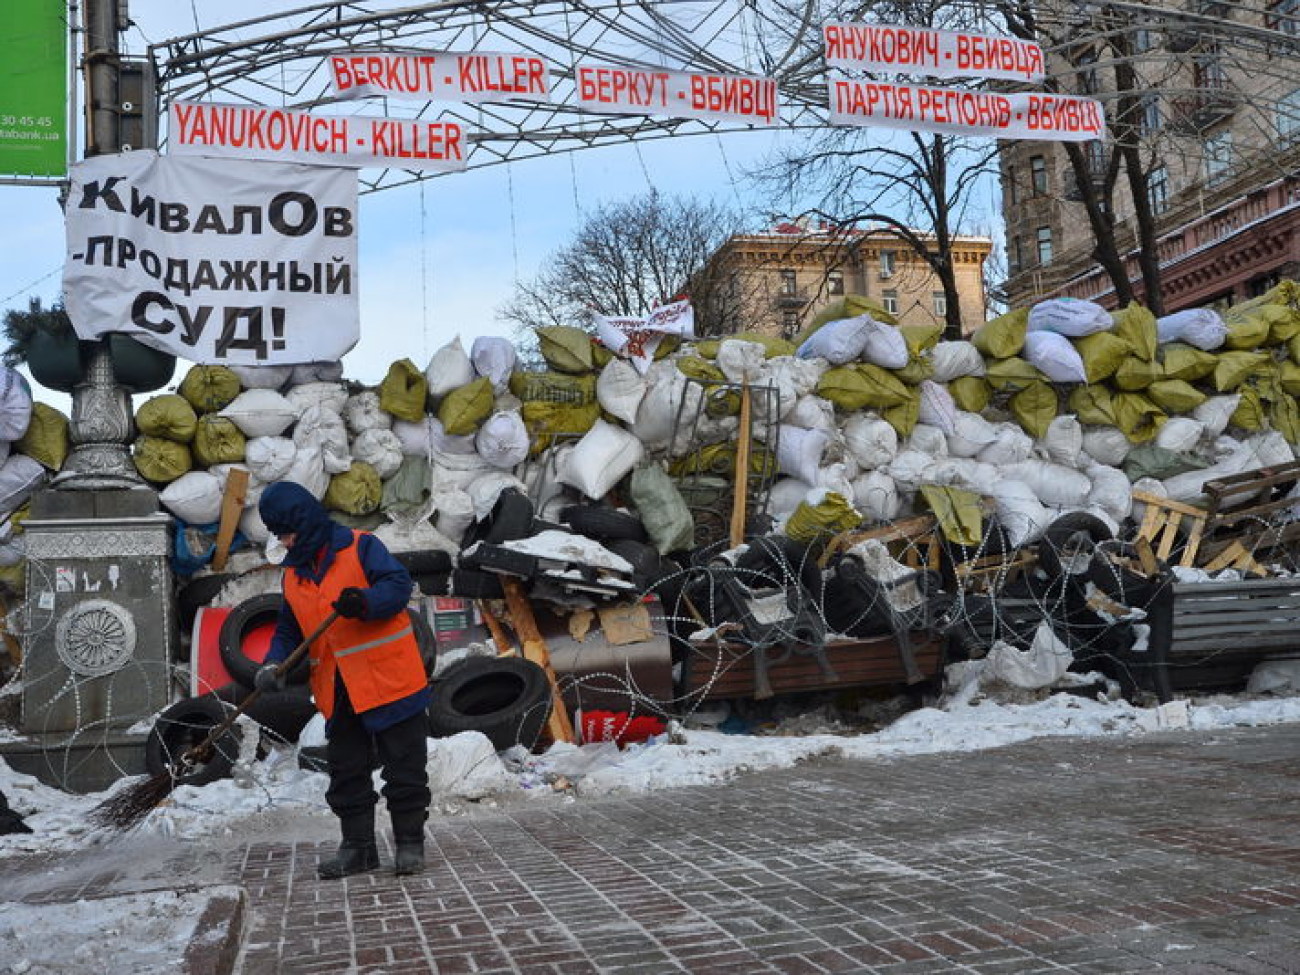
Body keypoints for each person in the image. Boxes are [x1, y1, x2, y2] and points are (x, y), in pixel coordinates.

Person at [255, 480, 431, 878]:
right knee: (347, 772)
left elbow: (398, 586)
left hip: (390, 681)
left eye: (287, 531)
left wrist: (366, 602)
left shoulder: (360, 546)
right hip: (339, 689)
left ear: (305, 521)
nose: (283, 541)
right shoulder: (294, 578)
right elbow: (287, 631)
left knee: (404, 768)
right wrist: (272, 665)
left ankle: (409, 845)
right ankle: (358, 849)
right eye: (278, 534)